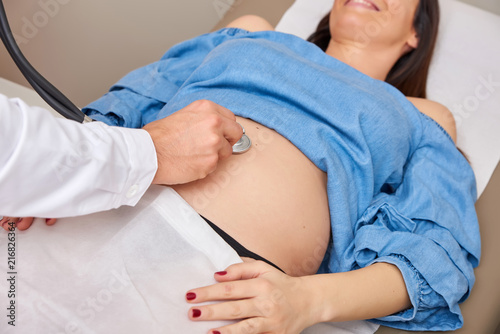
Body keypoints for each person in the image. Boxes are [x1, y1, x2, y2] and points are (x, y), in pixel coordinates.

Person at [5, 0, 480, 333]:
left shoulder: (423, 115)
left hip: (221, 283)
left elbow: (435, 258)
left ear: (417, 30)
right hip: (106, 200)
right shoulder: (252, 32)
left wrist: (305, 301)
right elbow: (131, 102)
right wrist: (60, 173)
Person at [0, 94, 243, 226]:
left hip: (102, 129)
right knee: (251, 27)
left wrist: (40, 175)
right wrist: (157, 151)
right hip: (114, 141)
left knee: (237, 32)